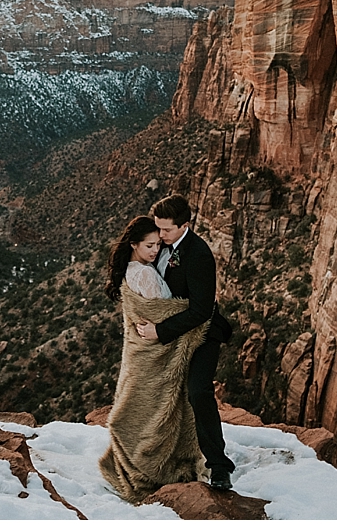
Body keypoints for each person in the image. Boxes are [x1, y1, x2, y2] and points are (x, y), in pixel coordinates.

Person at [98, 216, 210, 503]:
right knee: (160, 409)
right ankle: (154, 466)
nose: (155, 251)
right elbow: (166, 312)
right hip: (154, 349)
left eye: (159, 245)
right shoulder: (145, 275)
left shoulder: (131, 268)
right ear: (134, 244)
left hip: (138, 350)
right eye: (149, 245)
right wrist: (193, 309)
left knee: (143, 407)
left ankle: (132, 458)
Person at [135, 194, 235, 490]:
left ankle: (219, 466)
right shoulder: (159, 244)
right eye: (157, 228)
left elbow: (201, 311)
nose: (160, 235)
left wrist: (160, 331)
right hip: (170, 330)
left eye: (166, 230)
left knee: (198, 391)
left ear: (184, 226)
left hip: (202, 332)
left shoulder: (199, 255)